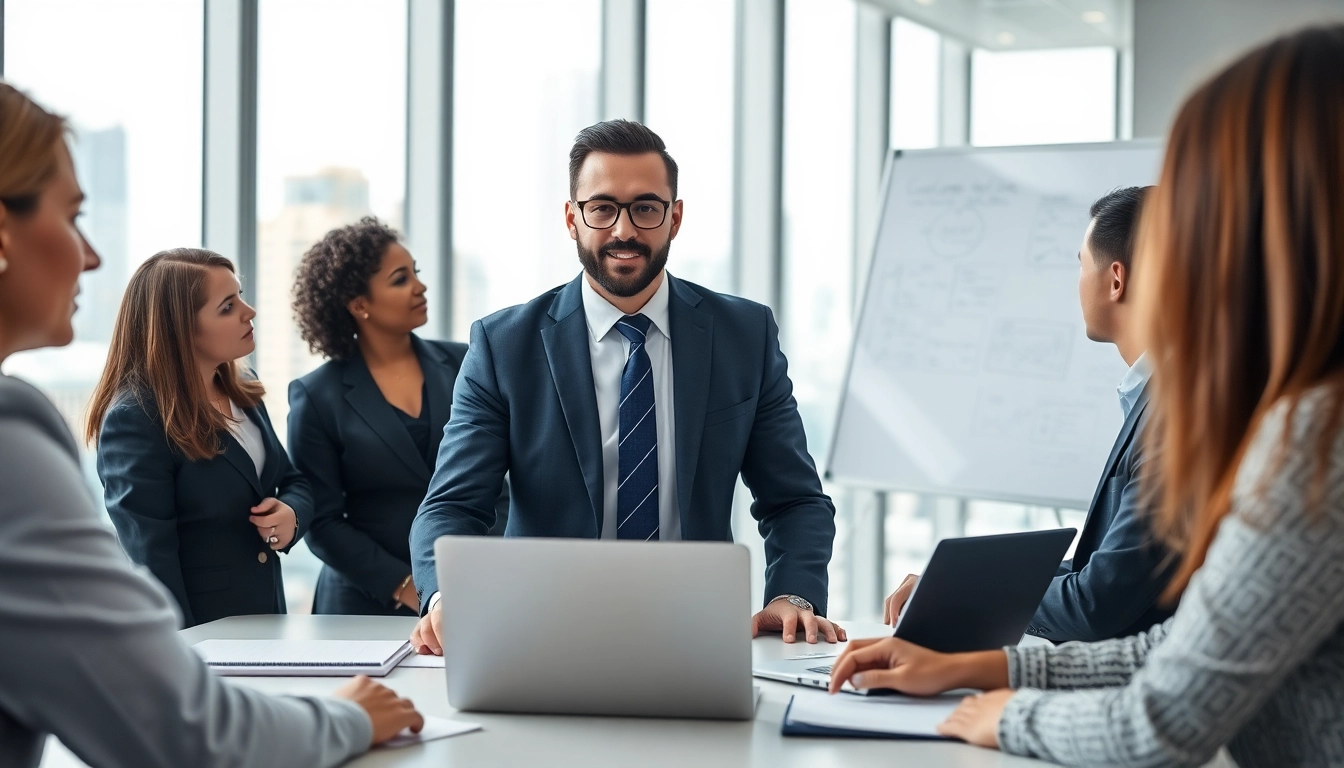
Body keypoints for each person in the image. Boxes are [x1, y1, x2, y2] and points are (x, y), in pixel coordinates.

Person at [829, 25, 1344, 767]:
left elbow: (1159, 728)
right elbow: (1194, 641)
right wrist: (990, 666)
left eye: (1209, 194)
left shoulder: (1316, 434)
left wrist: (1000, 717)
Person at [0, 80, 420, 768]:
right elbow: (168, 708)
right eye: (72, 216)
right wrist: (344, 720)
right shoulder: (50, 425)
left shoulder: (247, 396)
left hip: (260, 643)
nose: (92, 255)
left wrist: (292, 510)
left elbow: (293, 479)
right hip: (204, 657)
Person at [408, 119, 841, 653]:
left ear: (674, 217)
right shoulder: (504, 345)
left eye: (645, 208)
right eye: (602, 208)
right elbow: (452, 505)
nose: (623, 230)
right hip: (539, 635)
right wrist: (447, 597)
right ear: (572, 218)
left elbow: (795, 500)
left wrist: (793, 597)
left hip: (697, 634)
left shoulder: (743, 336)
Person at [883, 186, 1176, 643]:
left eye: (1081, 264)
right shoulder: (1156, 396)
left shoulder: (1175, 417)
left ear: (1115, 280)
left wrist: (962, 596)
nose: (1078, 280)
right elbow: (1104, 566)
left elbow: (1097, 601)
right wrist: (954, 583)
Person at [288, 217, 503, 616]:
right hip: (361, 599)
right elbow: (323, 522)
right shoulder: (316, 395)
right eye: (401, 279)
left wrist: (478, 571)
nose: (420, 287)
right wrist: (406, 585)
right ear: (359, 305)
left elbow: (501, 483)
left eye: (416, 273)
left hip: (466, 589)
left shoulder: (465, 363)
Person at [88, 249, 313, 627]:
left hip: (268, 623)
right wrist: (185, 655)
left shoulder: (242, 388)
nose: (249, 311)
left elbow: (292, 480)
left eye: (239, 296)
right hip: (204, 638)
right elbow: (151, 560)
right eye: (227, 306)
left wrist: (292, 515)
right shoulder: (136, 419)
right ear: (178, 329)